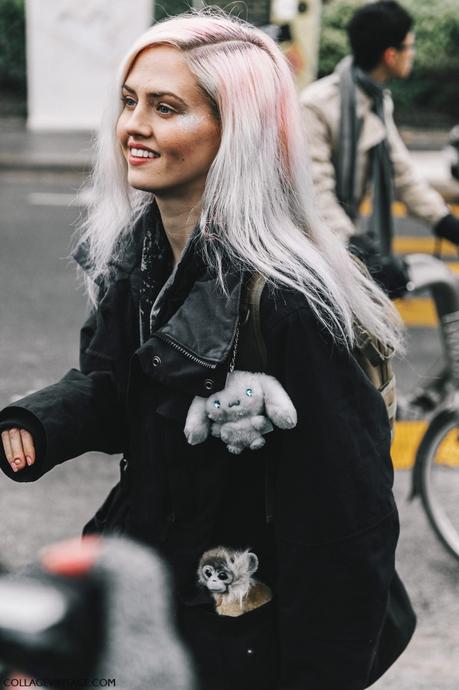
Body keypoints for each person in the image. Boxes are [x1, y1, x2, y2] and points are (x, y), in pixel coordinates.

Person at [0, 10, 415, 689]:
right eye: (130, 102)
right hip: (150, 596)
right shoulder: (137, 253)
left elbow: (344, 532)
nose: (135, 125)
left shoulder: (291, 299)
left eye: (167, 108)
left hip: (240, 635)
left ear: (238, 133)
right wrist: (35, 424)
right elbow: (114, 386)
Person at [300, 0, 459, 299]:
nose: (413, 54)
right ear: (391, 55)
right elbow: (314, 192)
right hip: (308, 253)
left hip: (339, 246)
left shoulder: (377, 101)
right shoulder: (317, 105)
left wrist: (445, 223)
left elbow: (402, 174)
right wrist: (358, 250)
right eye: (410, 46)